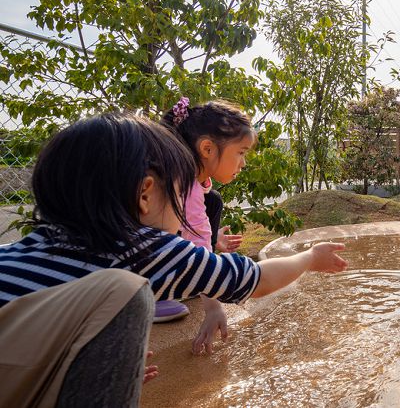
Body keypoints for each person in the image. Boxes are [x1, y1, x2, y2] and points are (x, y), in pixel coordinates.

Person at [0, 113, 349, 407]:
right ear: (145, 195)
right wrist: (309, 258)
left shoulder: (18, 252)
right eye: (182, 193)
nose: (186, 206)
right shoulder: (146, 249)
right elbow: (256, 280)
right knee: (126, 293)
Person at [160, 97, 255, 354]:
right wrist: (213, 307)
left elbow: (200, 231)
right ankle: (153, 293)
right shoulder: (184, 183)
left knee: (212, 200)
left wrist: (212, 242)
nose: (243, 163)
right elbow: (198, 247)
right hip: (135, 259)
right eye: (241, 153)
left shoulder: (196, 182)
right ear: (207, 149)